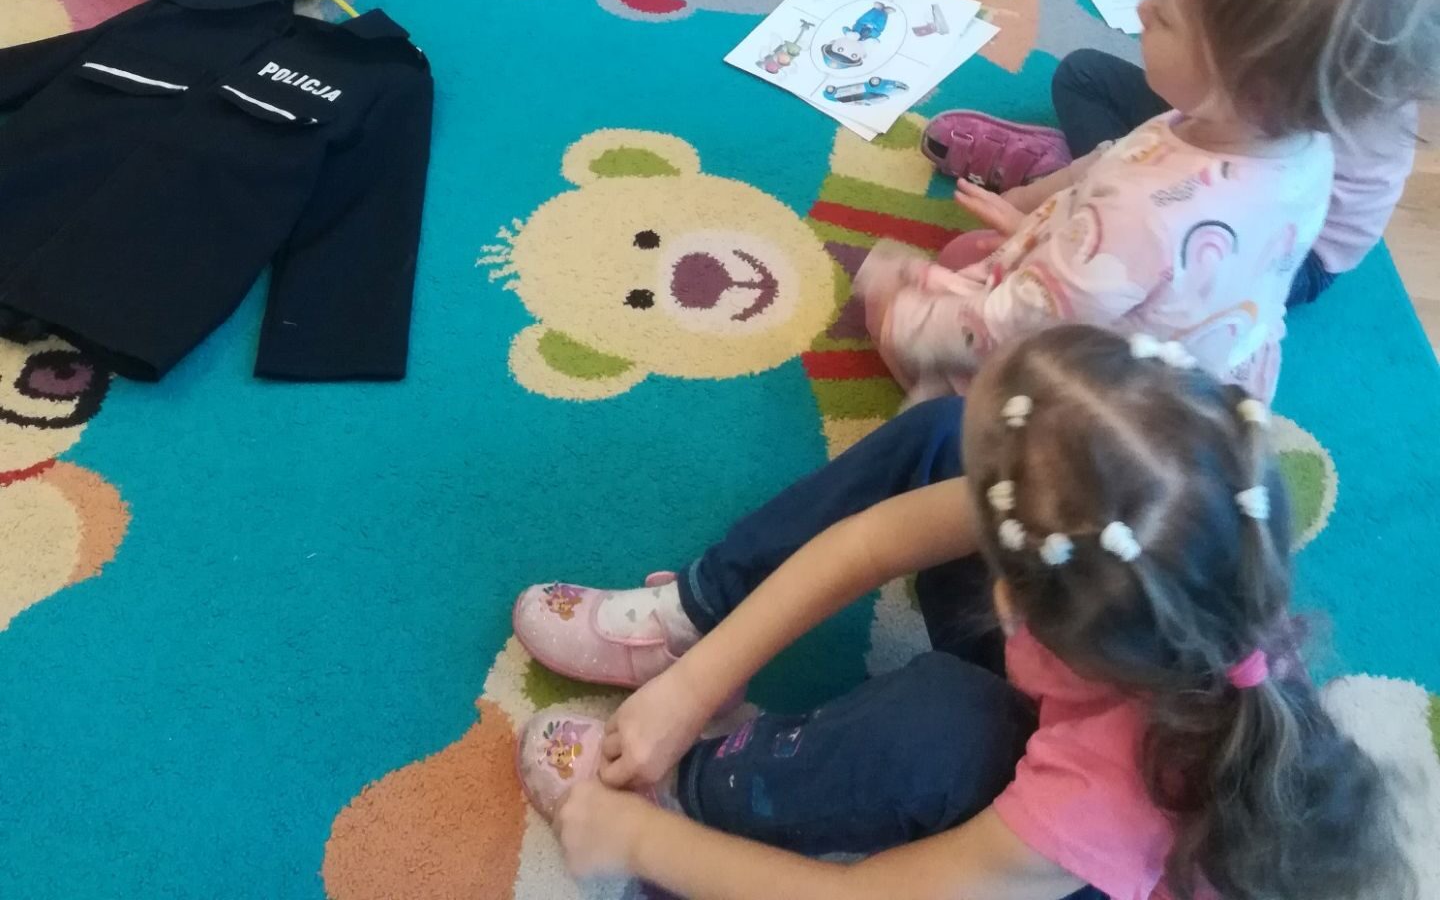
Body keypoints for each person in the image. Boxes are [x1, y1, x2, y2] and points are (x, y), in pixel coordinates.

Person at [510, 326, 1407, 900]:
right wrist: (695, 679)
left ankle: (693, 798)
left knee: (938, 725)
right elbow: (871, 542)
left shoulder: (1096, 801)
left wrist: (637, 839)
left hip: (1074, 870)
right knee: (938, 436)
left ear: (1009, 601)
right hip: (1106, 683)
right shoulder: (1182, 558)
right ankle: (693, 612)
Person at [860, 0, 1440, 405]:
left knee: (907, 301)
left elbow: (1015, 324)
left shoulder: (1146, 214)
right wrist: (1043, 234)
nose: (1141, 8)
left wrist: (911, 318)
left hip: (1101, 399)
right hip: (1205, 360)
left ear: (1246, 86)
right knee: (971, 254)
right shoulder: (1304, 150)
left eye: (1163, 13)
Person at [926, 0, 1433, 309]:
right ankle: (1069, 171)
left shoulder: (1281, 110)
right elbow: (1170, 131)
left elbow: (1143, 209)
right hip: (1233, 144)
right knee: (1084, 76)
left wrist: (1043, 230)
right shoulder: (1272, 64)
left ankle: (1074, 184)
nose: (1144, 8)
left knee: (1126, 237)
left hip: (1285, 252)